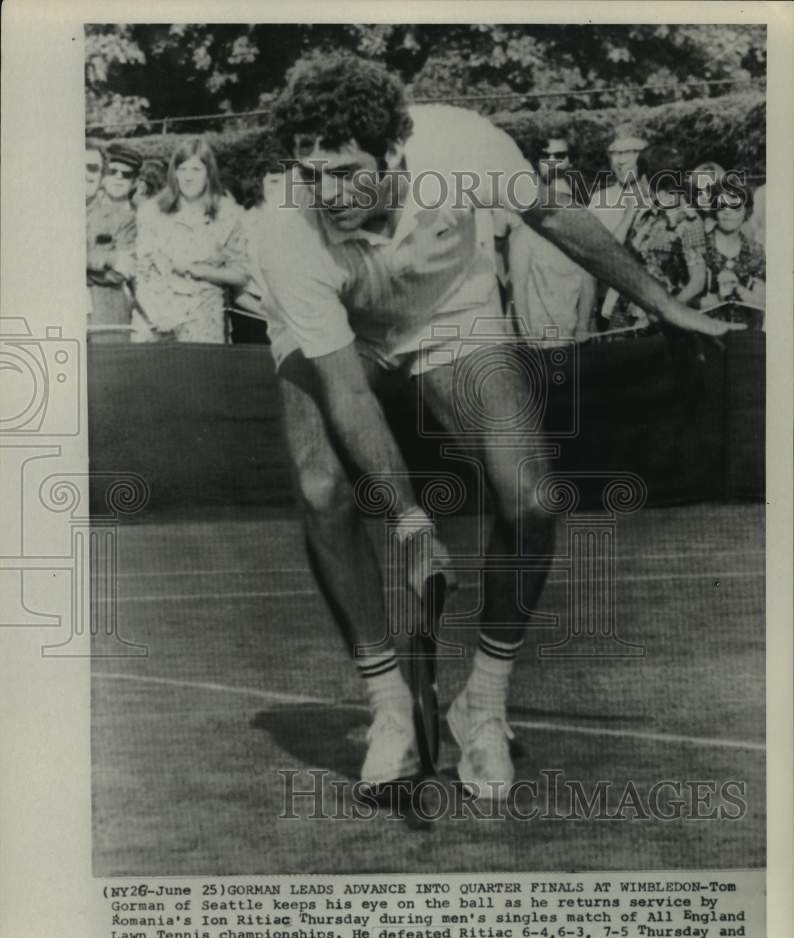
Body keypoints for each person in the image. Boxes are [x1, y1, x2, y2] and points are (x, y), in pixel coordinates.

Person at [248, 54, 739, 800]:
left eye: (348, 170)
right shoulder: (285, 227)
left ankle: (482, 705)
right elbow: (349, 392)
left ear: (395, 150)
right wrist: (411, 520)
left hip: (452, 318)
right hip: (340, 333)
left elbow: (558, 219)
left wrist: (662, 302)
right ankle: (390, 712)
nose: (328, 193)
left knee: (535, 497)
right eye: (310, 172)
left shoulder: (463, 147)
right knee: (320, 486)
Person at [136, 136, 249, 343]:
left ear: (209, 174)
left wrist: (200, 270)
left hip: (204, 323)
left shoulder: (229, 214)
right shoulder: (151, 211)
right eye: (183, 169)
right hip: (156, 321)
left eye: (196, 170)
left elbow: (241, 274)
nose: (188, 177)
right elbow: (140, 273)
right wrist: (157, 314)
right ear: (174, 173)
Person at [602, 146, 707, 330]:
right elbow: (610, 253)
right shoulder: (642, 214)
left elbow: (697, 282)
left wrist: (664, 312)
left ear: (645, 178)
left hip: (662, 324)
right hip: (625, 315)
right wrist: (629, 214)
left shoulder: (689, 220)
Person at [508, 176, 596, 342]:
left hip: (570, 334)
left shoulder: (581, 237)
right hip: (538, 335)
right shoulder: (525, 235)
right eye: (553, 198)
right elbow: (519, 288)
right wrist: (527, 335)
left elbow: (588, 286)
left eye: (566, 199)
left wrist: (582, 327)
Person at [86, 142, 140, 327]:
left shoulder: (131, 218)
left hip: (108, 310)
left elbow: (121, 273)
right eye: (113, 171)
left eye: (126, 174)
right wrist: (108, 259)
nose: (119, 178)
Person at [701, 180, 765, 308]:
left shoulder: (755, 251)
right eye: (721, 206)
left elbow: (764, 301)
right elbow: (680, 301)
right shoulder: (699, 246)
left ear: (746, 210)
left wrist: (741, 291)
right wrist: (717, 299)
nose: (727, 211)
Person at [588, 126, 648, 235]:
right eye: (615, 153)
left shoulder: (661, 196)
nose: (621, 161)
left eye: (629, 152)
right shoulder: (599, 199)